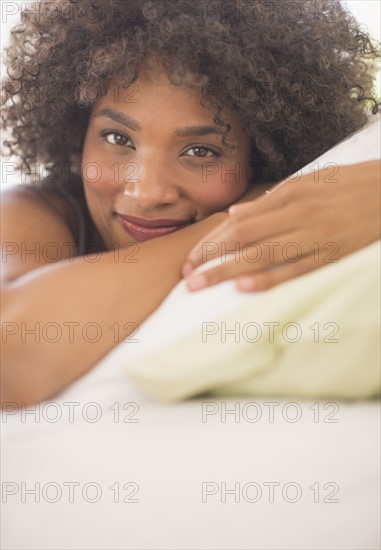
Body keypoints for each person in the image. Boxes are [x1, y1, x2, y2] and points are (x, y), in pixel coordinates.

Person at [1, 0, 380, 405]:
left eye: (201, 151)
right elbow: (12, 358)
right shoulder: (38, 209)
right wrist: (244, 217)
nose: (146, 193)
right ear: (77, 131)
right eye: (117, 139)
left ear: (266, 157)